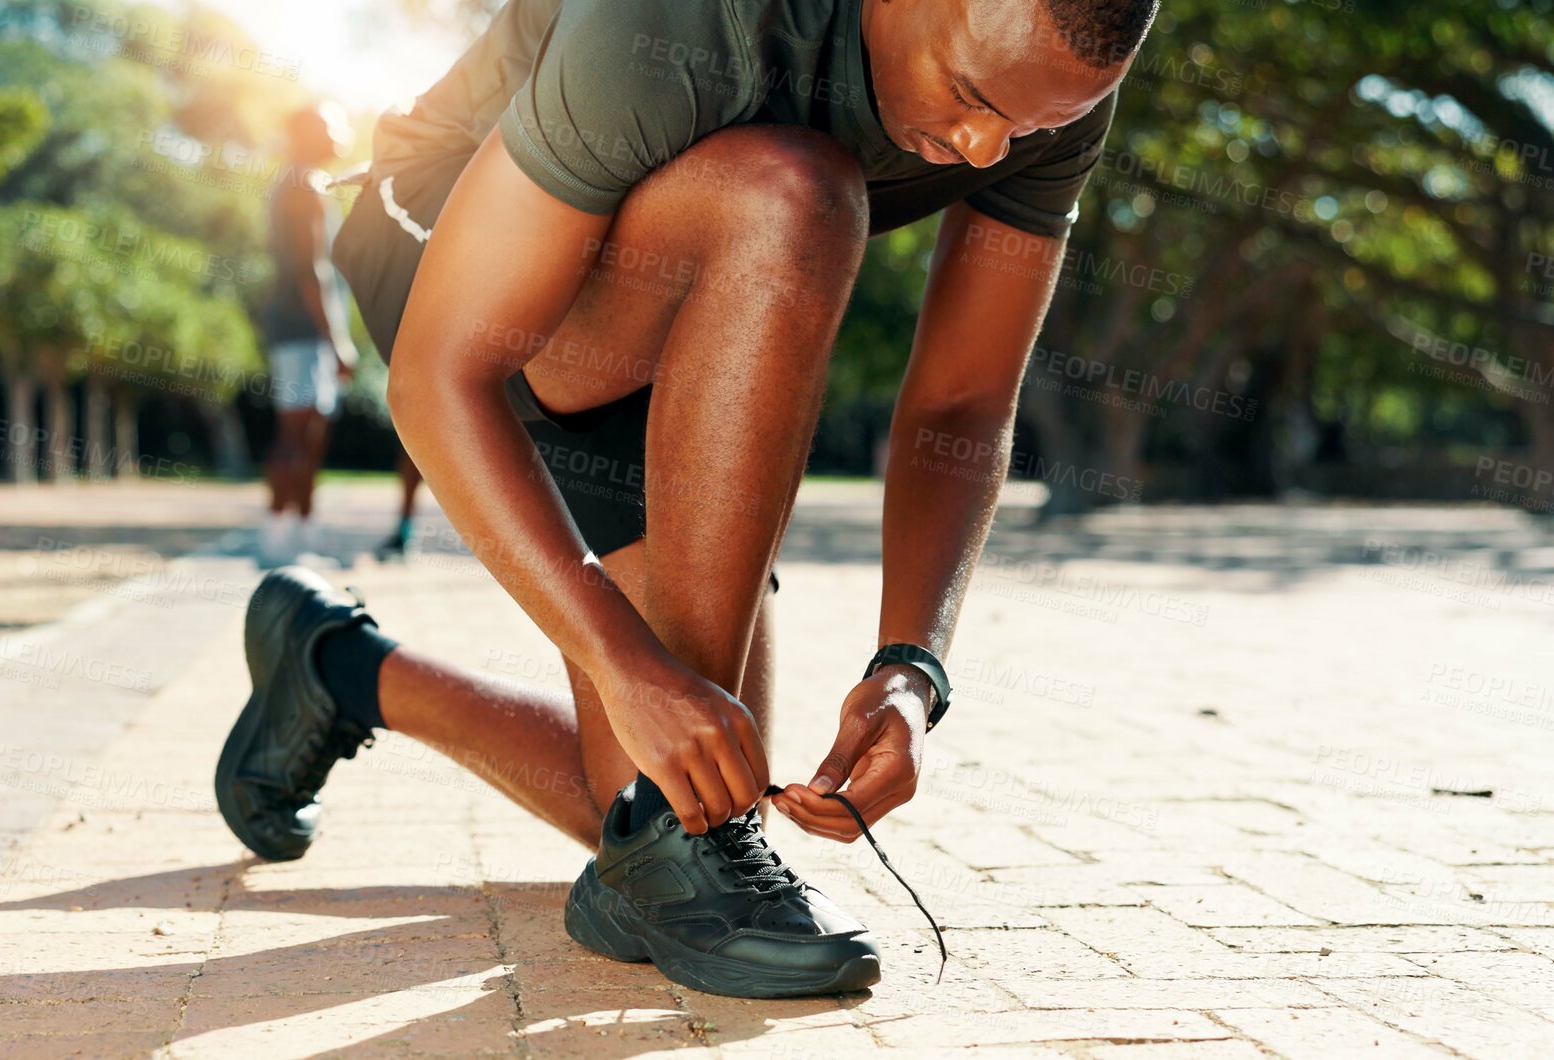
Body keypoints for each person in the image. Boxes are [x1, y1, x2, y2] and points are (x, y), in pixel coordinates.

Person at [217, 0, 1152, 997]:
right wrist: (624, 665)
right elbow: (440, 376)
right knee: (794, 191)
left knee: (686, 777)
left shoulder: (1046, 73)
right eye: (969, 98)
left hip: (685, 294)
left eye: (1027, 127)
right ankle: (676, 837)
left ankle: (333, 666)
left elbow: (963, 403)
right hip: (463, 252)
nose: (981, 148)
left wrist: (911, 668)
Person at [259, 102, 357, 567]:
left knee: (310, 432)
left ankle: (300, 535)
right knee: (296, 434)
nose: (340, 133)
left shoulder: (297, 181)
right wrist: (337, 338)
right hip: (302, 329)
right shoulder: (304, 185)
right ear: (306, 133)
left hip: (300, 329)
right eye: (329, 125)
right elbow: (310, 268)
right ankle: (278, 540)